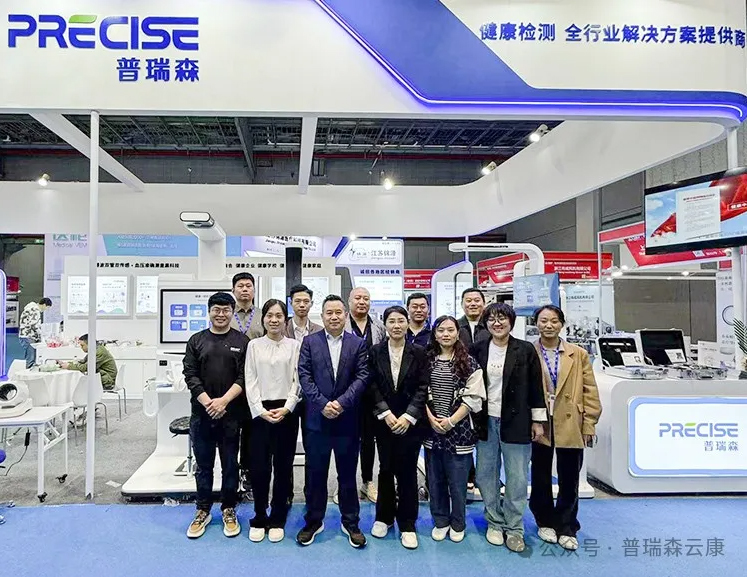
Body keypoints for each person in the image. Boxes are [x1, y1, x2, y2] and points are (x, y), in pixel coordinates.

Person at [471, 303, 547, 553]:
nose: (497, 323)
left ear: (511, 322)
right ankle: (494, 521)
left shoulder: (524, 349)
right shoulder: (478, 348)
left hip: (517, 421)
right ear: (486, 323)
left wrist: (538, 420)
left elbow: (536, 386)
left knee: (517, 477)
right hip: (485, 420)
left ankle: (514, 527)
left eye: (502, 318)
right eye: (492, 319)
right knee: (485, 474)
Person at [297, 295, 369, 549]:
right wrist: (323, 404)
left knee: (347, 474)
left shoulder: (357, 344)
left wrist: (341, 403)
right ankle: (313, 521)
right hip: (317, 420)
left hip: (347, 420)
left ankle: (351, 523)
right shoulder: (309, 342)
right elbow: (304, 375)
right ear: (322, 316)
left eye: (339, 312)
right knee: (315, 474)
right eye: (329, 313)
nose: (334, 317)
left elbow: (362, 376)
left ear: (345, 315)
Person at [529, 305, 602, 552]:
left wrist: (589, 422)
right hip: (540, 421)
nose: (548, 325)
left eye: (554, 321)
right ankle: (544, 520)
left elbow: (590, 390)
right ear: (536, 324)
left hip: (570, 420)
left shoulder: (578, 354)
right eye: (543, 321)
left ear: (562, 324)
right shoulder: (529, 351)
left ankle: (567, 526)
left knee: (569, 477)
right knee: (540, 475)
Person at [182, 292, 249, 540]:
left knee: (230, 464)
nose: (221, 314)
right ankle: (203, 509)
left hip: (231, 415)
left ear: (232, 312)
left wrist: (224, 401)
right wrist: (208, 402)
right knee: (204, 466)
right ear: (209, 312)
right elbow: (190, 374)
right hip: (202, 414)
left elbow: (244, 376)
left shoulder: (242, 341)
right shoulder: (196, 340)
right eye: (216, 310)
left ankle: (228, 508)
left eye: (226, 310)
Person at [368, 306, 429, 550]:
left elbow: (423, 386)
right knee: (385, 469)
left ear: (407, 324)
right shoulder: (375, 352)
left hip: (410, 423)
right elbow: (371, 384)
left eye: (400, 321)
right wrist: (385, 413)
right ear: (385, 325)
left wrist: (409, 416)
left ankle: (407, 523)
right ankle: (383, 517)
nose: (396, 325)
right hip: (384, 422)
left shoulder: (419, 352)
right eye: (391, 321)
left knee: (407, 472)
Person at [423, 315, 485, 543]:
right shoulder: (426, 360)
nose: (446, 334)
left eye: (450, 330)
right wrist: (431, 418)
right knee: (435, 480)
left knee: (458, 483)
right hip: (431, 430)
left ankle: (458, 523)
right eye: (441, 330)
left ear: (458, 333)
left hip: (460, 431)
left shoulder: (469, 362)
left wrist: (451, 421)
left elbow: (474, 397)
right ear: (435, 334)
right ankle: (440, 521)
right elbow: (420, 392)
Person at [245, 299, 302, 543]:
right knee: (259, 467)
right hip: (260, 413)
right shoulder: (254, 346)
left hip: (286, 412)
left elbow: (298, 380)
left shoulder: (294, 346)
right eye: (270, 315)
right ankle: (260, 515)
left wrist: (288, 407)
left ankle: (278, 516)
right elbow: (249, 379)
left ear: (285, 319)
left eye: (279, 315)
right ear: (263, 319)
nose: (274, 320)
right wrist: (259, 410)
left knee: (283, 466)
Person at [345, 287, 386, 503]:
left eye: (366, 299)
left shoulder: (379, 326)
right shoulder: (341, 324)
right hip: (346, 391)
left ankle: (367, 481)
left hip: (372, 391)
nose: (362, 302)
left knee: (369, 439)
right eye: (358, 298)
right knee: (347, 438)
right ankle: (345, 483)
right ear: (349, 301)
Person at [285, 283, 324, 506]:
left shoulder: (319, 330)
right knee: (286, 447)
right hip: (286, 396)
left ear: (311, 304)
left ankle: (312, 493)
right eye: (297, 301)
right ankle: (286, 494)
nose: (302, 305)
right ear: (291, 303)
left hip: (312, 398)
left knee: (313, 448)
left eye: (305, 301)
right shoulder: (281, 328)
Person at [230, 272, 263, 495]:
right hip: (231, 382)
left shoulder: (262, 315)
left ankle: (249, 475)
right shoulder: (226, 314)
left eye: (248, 285)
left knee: (253, 433)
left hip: (257, 383)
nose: (244, 289)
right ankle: (232, 476)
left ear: (254, 290)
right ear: (233, 290)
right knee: (231, 432)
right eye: (240, 286)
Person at [457, 288, 489, 498]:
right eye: (468, 300)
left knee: (486, 439)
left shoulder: (492, 326)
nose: (473, 304)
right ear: (462, 304)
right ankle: (467, 476)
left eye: (477, 300)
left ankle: (486, 478)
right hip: (461, 391)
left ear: (483, 303)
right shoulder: (455, 326)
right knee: (463, 435)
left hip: (488, 391)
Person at [18, 297, 52, 368]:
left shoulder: (30, 308)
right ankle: (28, 373)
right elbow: (34, 325)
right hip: (29, 336)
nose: (46, 310)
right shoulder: (35, 310)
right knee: (31, 358)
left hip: (24, 335)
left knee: (30, 356)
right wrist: (41, 334)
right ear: (44, 305)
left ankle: (29, 370)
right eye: (47, 308)